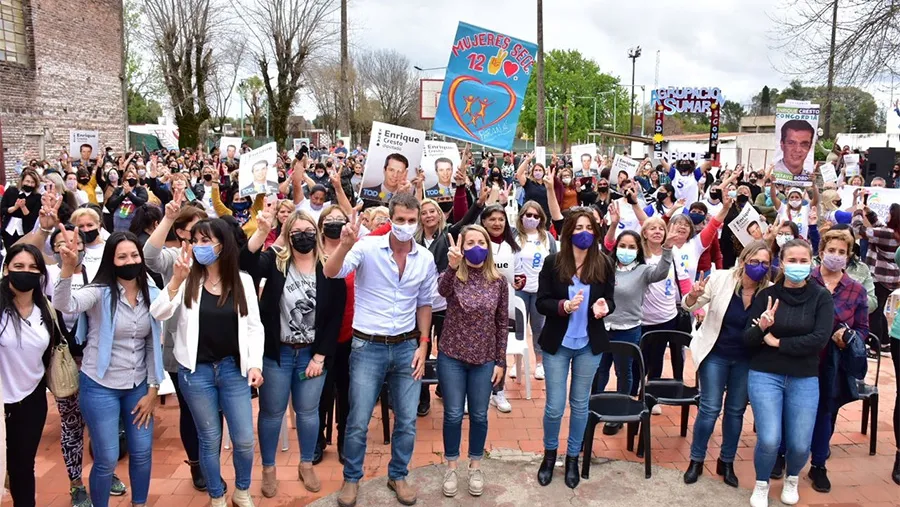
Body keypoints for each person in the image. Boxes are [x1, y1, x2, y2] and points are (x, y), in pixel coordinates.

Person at [324, 193, 437, 507]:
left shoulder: (425, 258)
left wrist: (424, 344)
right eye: (400, 219)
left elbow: (424, 303)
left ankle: (398, 474)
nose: (405, 225)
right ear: (390, 218)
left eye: (411, 220)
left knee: (407, 420)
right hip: (367, 346)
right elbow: (331, 272)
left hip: (407, 346)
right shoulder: (367, 247)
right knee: (358, 419)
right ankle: (351, 479)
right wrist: (344, 245)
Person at [149, 219, 263, 507]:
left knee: (244, 439)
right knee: (209, 438)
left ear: (221, 245)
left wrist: (255, 364)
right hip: (196, 372)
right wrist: (175, 281)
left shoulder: (242, 281)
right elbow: (158, 312)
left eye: (204, 241)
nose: (198, 247)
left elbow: (253, 326)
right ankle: (216, 495)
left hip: (233, 369)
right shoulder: (188, 279)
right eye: (195, 241)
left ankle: (242, 490)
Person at [53, 231, 163, 507]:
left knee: (142, 452)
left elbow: (152, 344)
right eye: (122, 256)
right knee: (107, 457)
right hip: (100, 386)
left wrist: (153, 389)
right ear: (111, 260)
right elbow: (65, 304)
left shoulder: (151, 293)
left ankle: (139, 503)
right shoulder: (99, 291)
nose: (130, 261)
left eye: (134, 255)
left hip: (138, 385)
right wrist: (67, 269)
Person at [243, 208, 346, 497]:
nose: (304, 237)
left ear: (317, 233)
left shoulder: (329, 267)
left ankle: (306, 464)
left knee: (308, 413)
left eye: (309, 231)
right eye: (297, 232)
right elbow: (246, 263)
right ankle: (268, 469)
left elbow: (335, 315)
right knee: (271, 413)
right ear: (288, 235)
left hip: (311, 354)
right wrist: (261, 232)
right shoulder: (276, 262)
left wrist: (321, 356)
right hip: (278, 354)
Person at [744, 239, 834, 507]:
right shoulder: (767, 296)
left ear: (812, 262)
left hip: (804, 376)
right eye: (792, 260)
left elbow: (819, 340)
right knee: (769, 439)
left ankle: (792, 477)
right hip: (766, 374)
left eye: (803, 261)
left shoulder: (821, 297)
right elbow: (748, 340)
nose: (798, 265)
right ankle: (762, 483)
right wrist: (762, 328)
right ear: (781, 263)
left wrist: (777, 342)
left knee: (800, 444)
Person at [681, 241, 773, 487]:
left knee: (735, 411)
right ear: (743, 261)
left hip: (746, 358)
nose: (759, 267)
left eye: (765, 263)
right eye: (754, 262)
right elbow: (689, 305)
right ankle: (696, 460)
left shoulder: (770, 291)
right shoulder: (721, 279)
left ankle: (727, 461)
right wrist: (694, 295)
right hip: (716, 353)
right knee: (709, 408)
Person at [536, 208, 615, 489]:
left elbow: (610, 300)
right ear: (569, 232)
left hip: (588, 345)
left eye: (589, 227)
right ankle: (549, 456)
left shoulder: (604, 263)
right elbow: (541, 302)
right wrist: (564, 306)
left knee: (580, 405)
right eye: (579, 227)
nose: (584, 233)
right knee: (555, 407)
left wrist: (604, 307)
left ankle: (572, 458)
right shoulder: (553, 262)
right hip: (558, 344)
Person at [438, 226, 508, 498]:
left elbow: (502, 323)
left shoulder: (498, 281)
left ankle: (475, 465)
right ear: (462, 247)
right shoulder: (454, 275)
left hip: (484, 358)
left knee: (479, 414)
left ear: (488, 247)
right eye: (470, 242)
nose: (476, 246)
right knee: (454, 414)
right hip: (452, 356)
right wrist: (452, 266)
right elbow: (441, 291)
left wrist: (500, 361)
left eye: (481, 242)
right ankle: (451, 466)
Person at [593, 209, 673, 435]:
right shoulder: (606, 267)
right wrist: (613, 224)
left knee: (624, 372)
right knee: (600, 370)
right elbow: (605, 246)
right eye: (622, 246)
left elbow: (661, 273)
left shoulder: (643, 271)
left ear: (638, 250)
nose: (626, 250)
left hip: (628, 330)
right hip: (602, 327)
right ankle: (594, 409)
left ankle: (619, 412)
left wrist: (667, 249)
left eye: (631, 247)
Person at [802, 229, 869, 493]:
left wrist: (848, 337)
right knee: (793, 409)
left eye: (842, 252)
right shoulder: (805, 280)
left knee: (825, 412)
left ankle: (818, 465)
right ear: (821, 253)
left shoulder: (856, 290)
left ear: (848, 256)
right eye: (831, 250)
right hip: (801, 357)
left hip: (833, 363)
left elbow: (863, 329)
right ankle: (782, 455)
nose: (836, 255)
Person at [1, 244, 61, 507]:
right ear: (6, 269)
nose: (26, 272)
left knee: (23, 466)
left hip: (31, 400)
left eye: (33, 267)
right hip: (1, 401)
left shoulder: (46, 310)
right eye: (18, 266)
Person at [513, 201, 558, 380]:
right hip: (519, 290)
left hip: (540, 291)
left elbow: (555, 262)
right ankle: (517, 364)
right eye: (528, 215)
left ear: (541, 218)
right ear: (522, 216)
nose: (531, 218)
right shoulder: (515, 236)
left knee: (539, 328)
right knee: (518, 327)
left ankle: (539, 363)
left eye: (535, 216)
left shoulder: (547, 237)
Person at [853, 203, 900, 352]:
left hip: (879, 277)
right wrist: (869, 212)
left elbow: (859, 230)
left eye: (889, 214)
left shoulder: (886, 233)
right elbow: (879, 226)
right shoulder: (894, 232)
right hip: (891, 278)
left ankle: (875, 346)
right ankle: (884, 341)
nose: (887, 216)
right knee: (879, 310)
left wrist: (858, 211)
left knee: (874, 312)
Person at [1, 168, 43, 251]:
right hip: (9, 228)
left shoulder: (37, 197)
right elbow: (2, 210)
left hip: (25, 230)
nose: (29, 184)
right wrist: (15, 207)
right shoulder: (11, 191)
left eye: (32, 182)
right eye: (27, 181)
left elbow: (33, 218)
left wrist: (23, 207)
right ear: (22, 181)